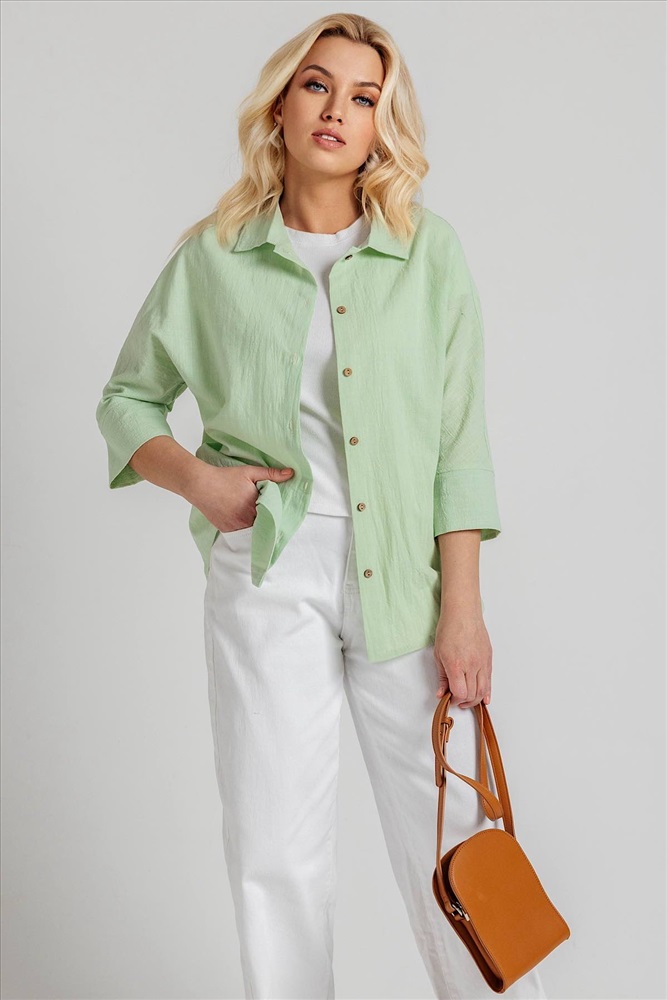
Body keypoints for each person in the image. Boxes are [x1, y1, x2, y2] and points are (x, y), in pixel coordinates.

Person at [95, 12, 549, 1000]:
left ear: (384, 123)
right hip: (268, 570)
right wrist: (201, 481)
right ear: (280, 104)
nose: (337, 109)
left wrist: (463, 607)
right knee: (274, 845)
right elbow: (126, 400)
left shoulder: (425, 253)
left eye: (363, 96)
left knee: (456, 836)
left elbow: (458, 441)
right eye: (317, 85)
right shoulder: (214, 256)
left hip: (407, 580)